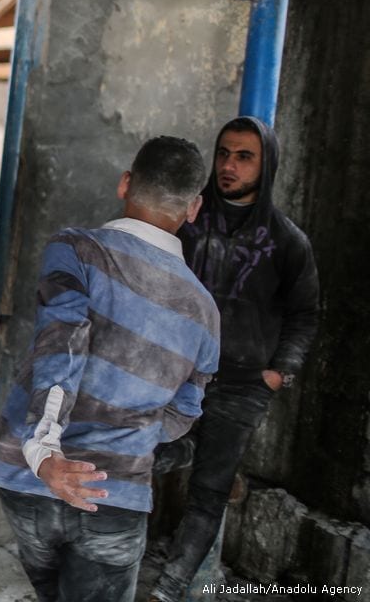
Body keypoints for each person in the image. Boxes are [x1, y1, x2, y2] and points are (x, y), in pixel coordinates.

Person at [0, 135, 221, 602]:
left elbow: (61, 346)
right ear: (193, 208)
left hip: (28, 480)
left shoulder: (77, 248)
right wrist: (129, 436)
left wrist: (46, 452)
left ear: (125, 184)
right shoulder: (206, 312)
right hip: (114, 495)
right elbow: (184, 414)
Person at [149, 116, 319, 602]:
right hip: (175, 373)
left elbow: (305, 315)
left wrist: (277, 374)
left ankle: (168, 590)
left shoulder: (288, 241)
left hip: (243, 385)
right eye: (224, 153)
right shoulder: (186, 221)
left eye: (244, 157)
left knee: (210, 491)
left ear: (266, 166)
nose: (229, 165)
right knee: (140, 456)